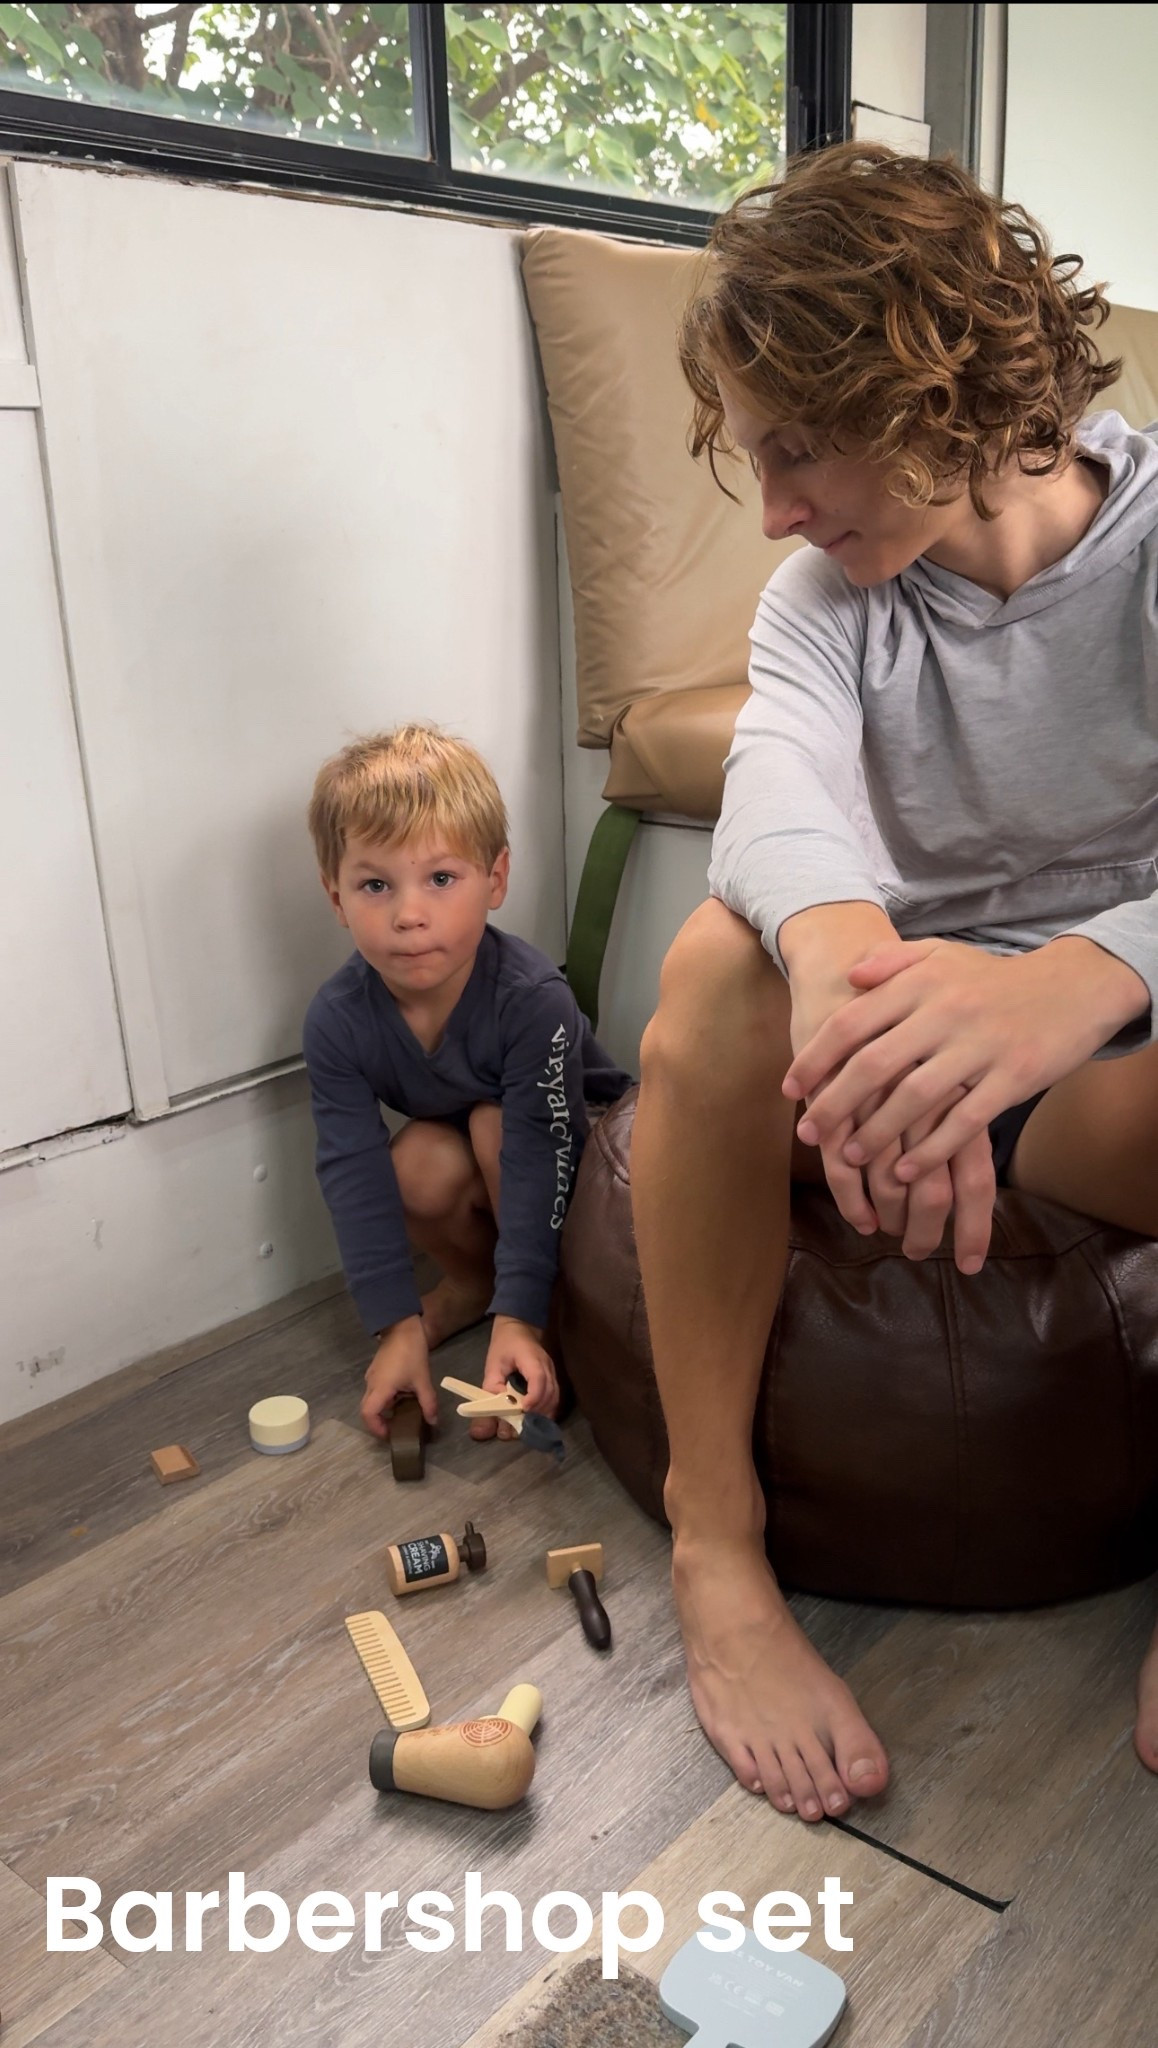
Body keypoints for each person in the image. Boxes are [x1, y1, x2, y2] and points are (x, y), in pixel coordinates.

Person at [631, 141, 1158, 1828]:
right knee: (713, 967)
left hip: (1104, 1067)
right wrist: (854, 984)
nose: (775, 510)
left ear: (929, 384)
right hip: (901, 1047)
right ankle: (715, 1538)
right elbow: (774, 787)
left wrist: (1082, 975)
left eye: (796, 447)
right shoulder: (820, 606)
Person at [304, 724, 631, 1442]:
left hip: (587, 1159)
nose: (409, 915)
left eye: (441, 879)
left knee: (494, 1124)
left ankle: (546, 1320)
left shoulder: (532, 999)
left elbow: (541, 1152)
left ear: (496, 879)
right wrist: (394, 1326)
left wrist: (525, 1318)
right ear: (337, 898)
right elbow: (352, 1171)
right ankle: (477, 1287)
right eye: (375, 885)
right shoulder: (336, 1020)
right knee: (414, 1162)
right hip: (485, 1153)